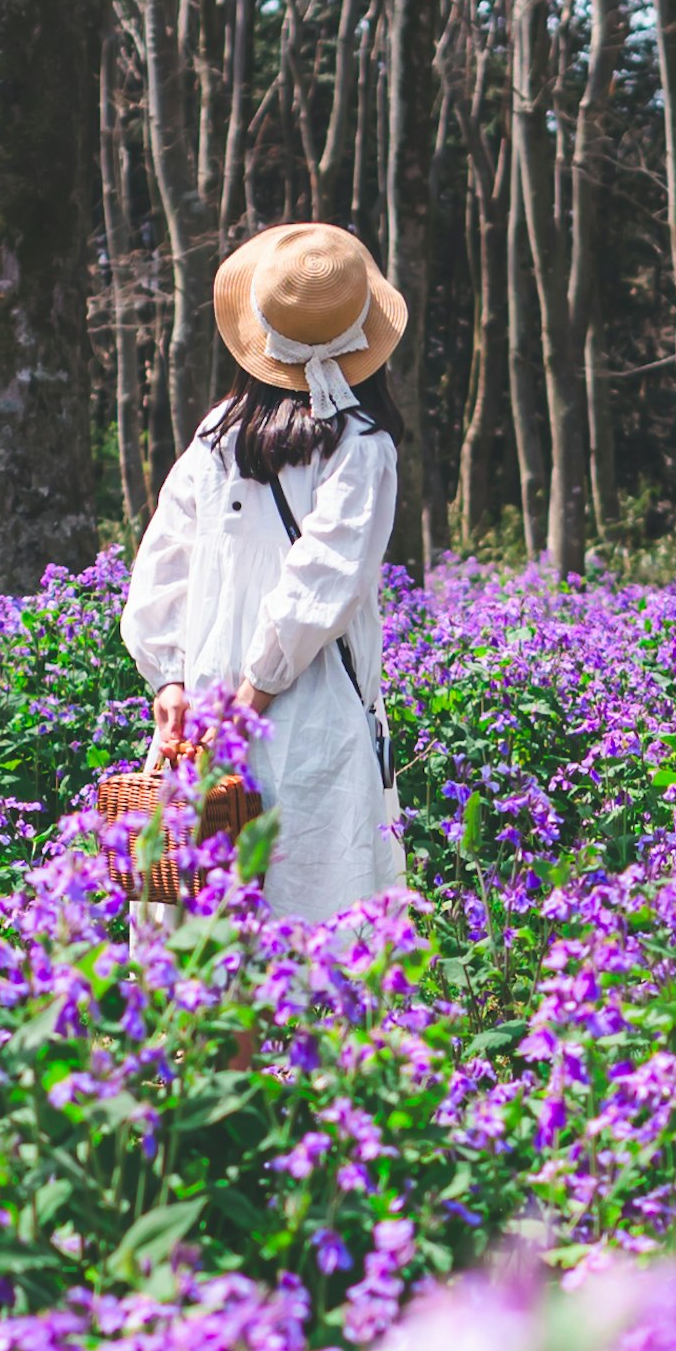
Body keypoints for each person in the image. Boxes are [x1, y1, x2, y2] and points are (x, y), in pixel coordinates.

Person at [120, 220, 408, 920]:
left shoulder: (217, 435)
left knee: (209, 938)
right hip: (306, 724)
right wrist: (248, 706)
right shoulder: (360, 447)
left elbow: (160, 568)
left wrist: (173, 683)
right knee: (315, 936)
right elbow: (320, 587)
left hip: (200, 724)